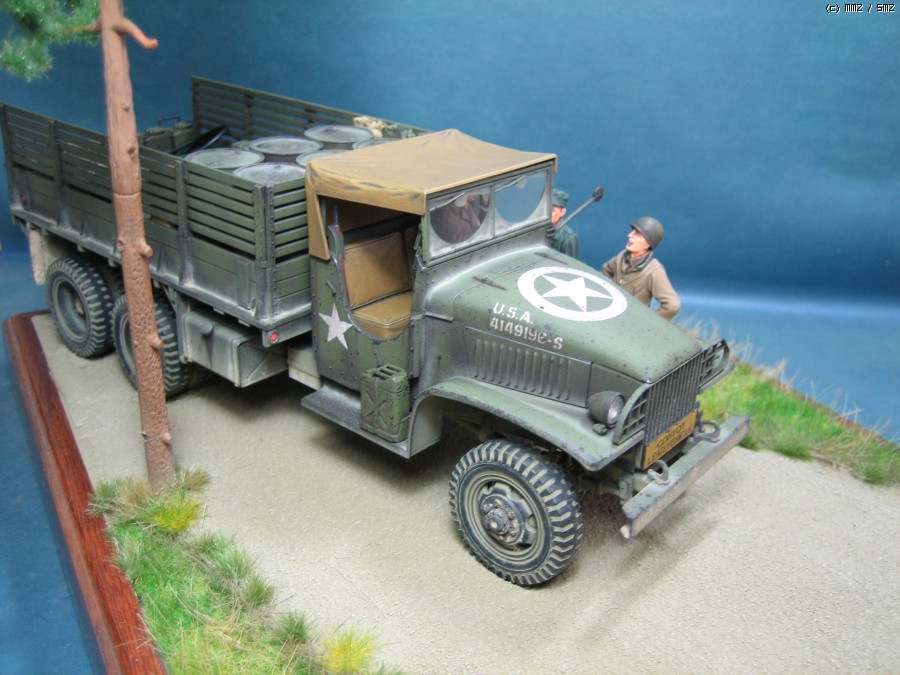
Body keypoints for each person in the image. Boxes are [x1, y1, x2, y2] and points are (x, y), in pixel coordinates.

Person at [601, 216, 681, 320]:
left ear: (647, 244)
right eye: (632, 232)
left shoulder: (654, 271)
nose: (629, 235)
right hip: (608, 314)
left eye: (637, 235)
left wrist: (649, 322)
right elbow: (605, 270)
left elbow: (672, 306)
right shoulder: (622, 256)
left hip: (631, 321)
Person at [548, 188, 579, 258]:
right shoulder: (540, 230)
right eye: (546, 207)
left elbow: (569, 263)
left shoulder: (569, 238)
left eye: (552, 210)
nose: (547, 213)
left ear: (562, 212)